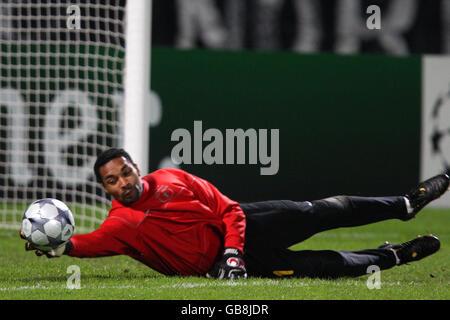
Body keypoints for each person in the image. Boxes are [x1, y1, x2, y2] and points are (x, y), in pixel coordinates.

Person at [20, 148, 449, 280]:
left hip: (244, 227)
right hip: (221, 264)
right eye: (111, 181)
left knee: (323, 211)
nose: (122, 183)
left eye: (125, 172)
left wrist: (232, 253)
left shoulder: (172, 179)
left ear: (135, 167)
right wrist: (62, 246)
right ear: (105, 189)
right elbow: (90, 243)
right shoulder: (122, 226)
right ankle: (393, 256)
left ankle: (406, 204)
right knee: (317, 267)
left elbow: (228, 210)